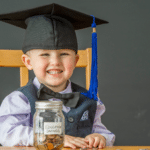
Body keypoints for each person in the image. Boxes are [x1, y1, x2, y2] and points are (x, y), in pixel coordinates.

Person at [0, 3, 115, 149]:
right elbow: (6, 133)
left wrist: (100, 137)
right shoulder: (19, 100)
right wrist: (50, 138)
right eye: (45, 54)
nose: (55, 62)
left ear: (75, 61)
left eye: (64, 54)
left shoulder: (88, 100)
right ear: (28, 62)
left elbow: (102, 132)